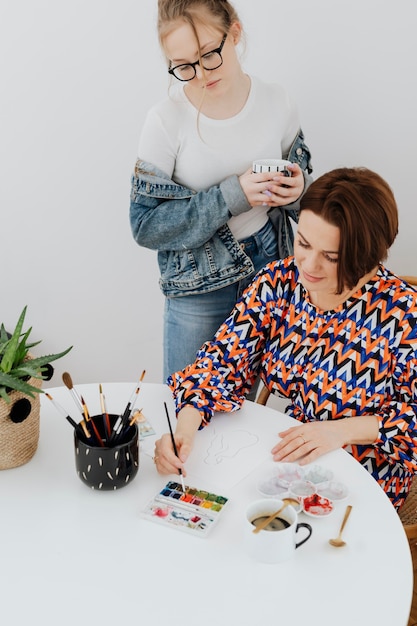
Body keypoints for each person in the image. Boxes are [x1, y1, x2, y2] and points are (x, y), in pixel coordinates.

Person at [153, 167, 417, 511]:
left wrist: (341, 430)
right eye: (303, 243)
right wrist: (183, 429)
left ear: (368, 256)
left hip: (361, 480)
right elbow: (220, 362)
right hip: (284, 464)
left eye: (331, 257)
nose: (308, 264)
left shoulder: (404, 315)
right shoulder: (279, 283)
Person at [130, 0, 313, 381]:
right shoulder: (165, 120)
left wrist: (298, 193)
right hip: (199, 283)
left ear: (235, 32)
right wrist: (234, 195)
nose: (200, 75)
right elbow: (145, 224)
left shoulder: (277, 101)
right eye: (183, 66)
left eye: (209, 55)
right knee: (187, 407)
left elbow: (310, 205)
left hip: (270, 270)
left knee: (245, 414)